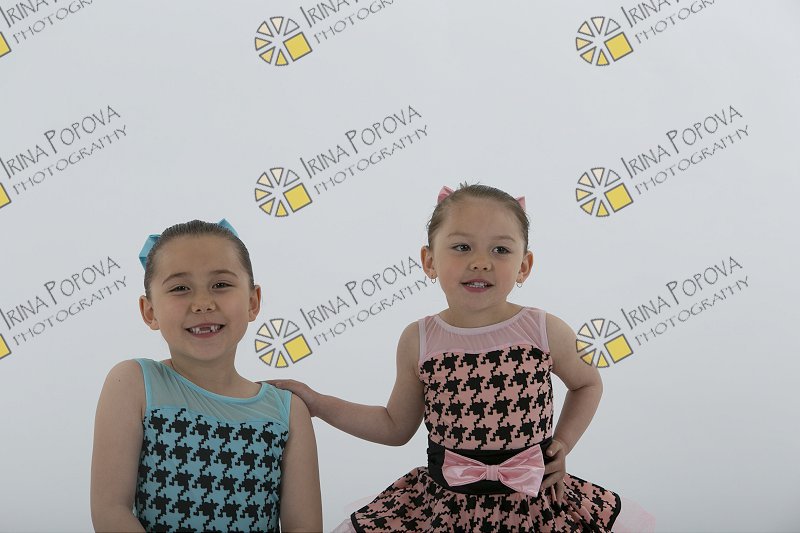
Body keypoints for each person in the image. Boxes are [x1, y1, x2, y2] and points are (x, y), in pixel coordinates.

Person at [272, 184, 653, 531]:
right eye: (462, 247)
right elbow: (394, 426)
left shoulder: (543, 330)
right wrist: (318, 403)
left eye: (500, 250)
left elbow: (588, 383)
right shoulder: (419, 340)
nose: (481, 262)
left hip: (535, 508)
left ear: (524, 266)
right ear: (429, 261)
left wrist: (562, 444)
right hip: (446, 510)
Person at [90, 220, 322, 532]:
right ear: (149, 311)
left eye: (221, 284)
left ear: (253, 302)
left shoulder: (287, 411)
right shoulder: (134, 384)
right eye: (180, 288)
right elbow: (110, 511)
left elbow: (303, 528)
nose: (202, 304)